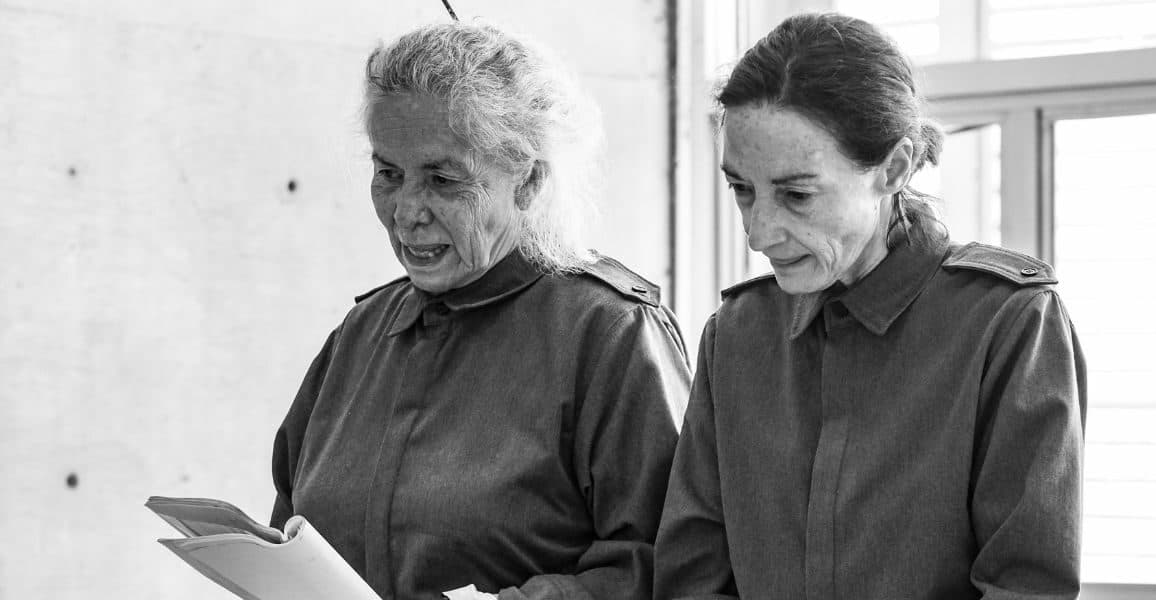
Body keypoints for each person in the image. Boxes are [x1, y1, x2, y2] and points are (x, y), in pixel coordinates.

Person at [654, 12, 1086, 600]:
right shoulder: (735, 335)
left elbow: (1026, 588)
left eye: (796, 194)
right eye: (742, 189)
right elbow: (691, 580)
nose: (758, 234)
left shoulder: (1009, 324)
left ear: (894, 168)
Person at [270, 21, 691, 600]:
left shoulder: (611, 334)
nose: (406, 212)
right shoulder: (360, 334)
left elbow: (670, 567)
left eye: (443, 180)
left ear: (529, 182)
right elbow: (287, 538)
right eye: (388, 174)